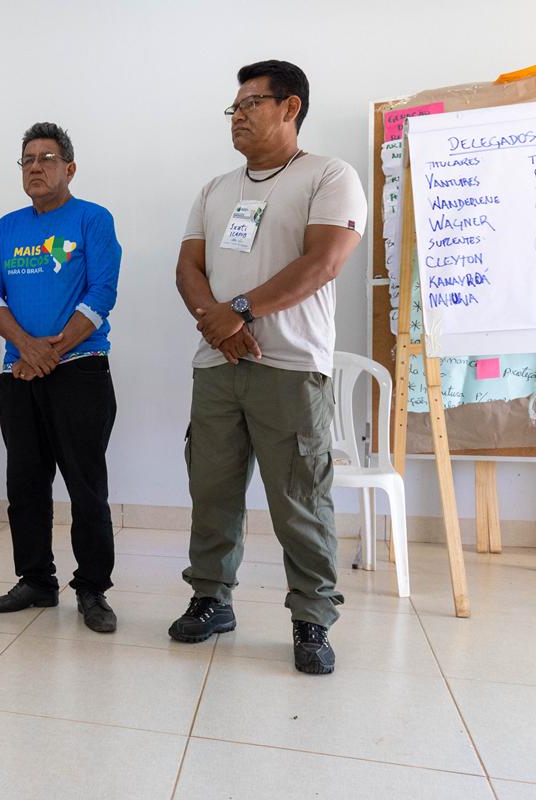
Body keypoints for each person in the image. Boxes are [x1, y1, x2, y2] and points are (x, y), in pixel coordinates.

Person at [169, 60, 367, 675]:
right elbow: (188, 268)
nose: (238, 115)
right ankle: (210, 598)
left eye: (251, 102)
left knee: (299, 498)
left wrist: (239, 312)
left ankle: (312, 616)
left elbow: (323, 262)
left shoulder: (329, 175)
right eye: (233, 106)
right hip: (217, 364)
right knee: (212, 490)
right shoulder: (215, 190)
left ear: (290, 107)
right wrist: (219, 325)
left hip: (291, 365)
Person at [0, 122, 123, 633]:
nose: (35, 167)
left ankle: (92, 589)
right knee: (25, 485)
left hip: (80, 371)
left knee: (86, 487)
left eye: (47, 158)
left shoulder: (92, 219)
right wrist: (27, 347)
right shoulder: (7, 228)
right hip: (19, 375)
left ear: (69, 169)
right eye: (27, 160)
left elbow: (102, 293)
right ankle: (36, 580)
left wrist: (49, 352)